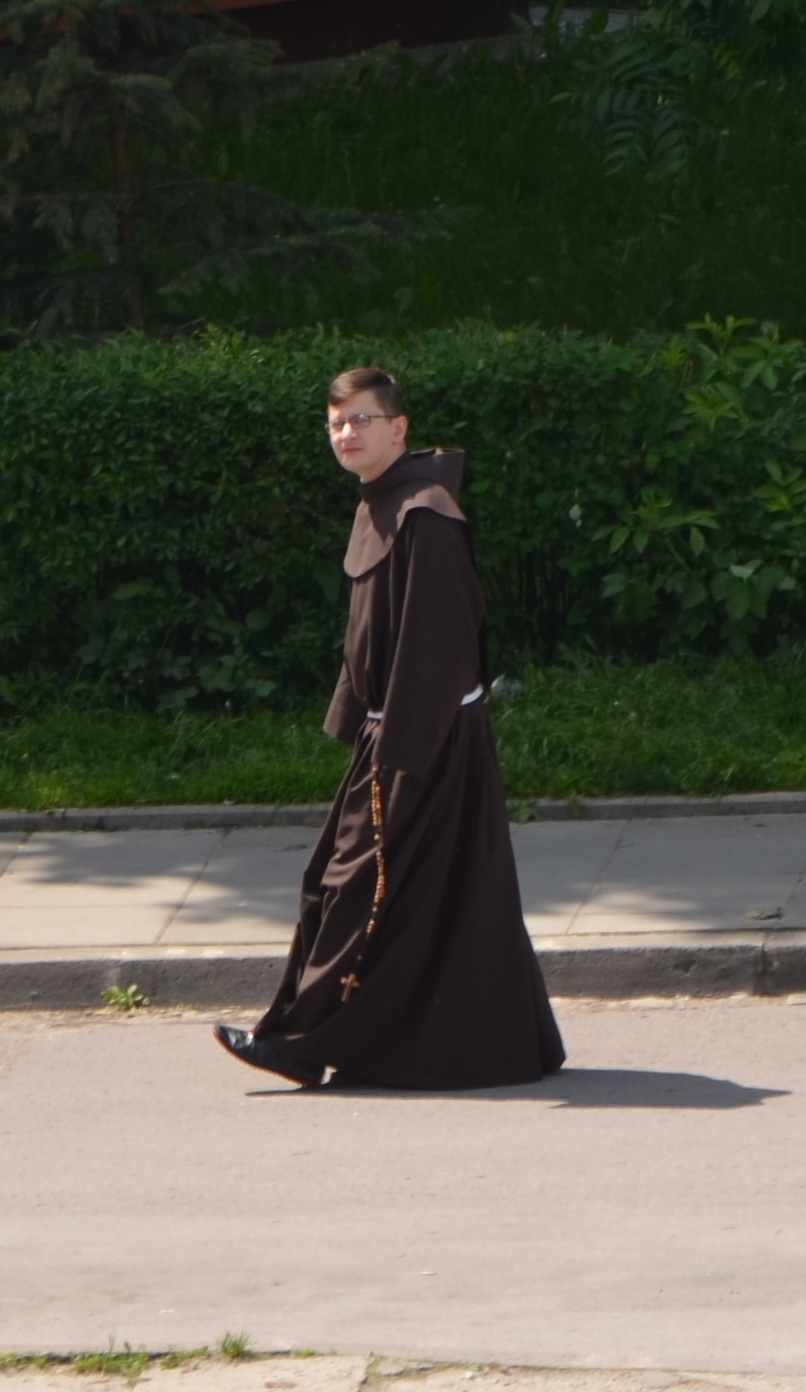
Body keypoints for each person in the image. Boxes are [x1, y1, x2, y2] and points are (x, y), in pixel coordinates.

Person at [215, 366, 565, 1090]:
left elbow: (439, 644)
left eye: (361, 420)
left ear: (399, 428)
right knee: (442, 893)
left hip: (422, 741)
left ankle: (301, 1043)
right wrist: (357, 716)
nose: (346, 434)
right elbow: (369, 630)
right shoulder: (383, 501)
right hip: (401, 733)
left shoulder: (424, 516)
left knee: (354, 887)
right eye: (336, 423)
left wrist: (401, 755)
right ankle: (498, 1042)